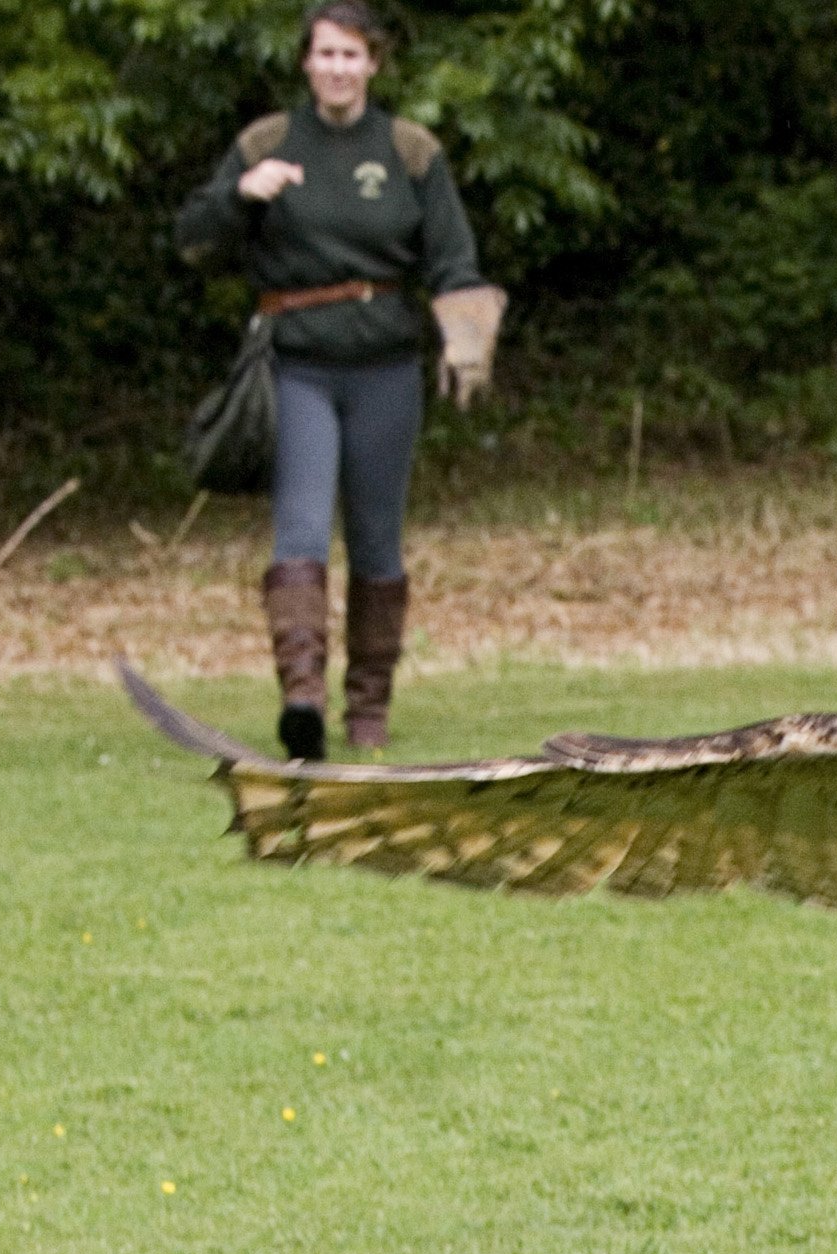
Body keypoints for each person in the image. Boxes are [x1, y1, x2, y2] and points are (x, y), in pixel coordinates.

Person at [175, 0, 503, 759]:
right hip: (297, 366)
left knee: (377, 540)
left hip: (385, 367)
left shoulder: (409, 150)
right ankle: (303, 702)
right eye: (325, 54)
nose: (337, 68)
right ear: (305, 62)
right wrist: (239, 195)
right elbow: (192, 240)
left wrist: (466, 335)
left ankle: (369, 708)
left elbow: (453, 258)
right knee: (297, 532)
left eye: (352, 56)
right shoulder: (266, 141)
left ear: (373, 65)